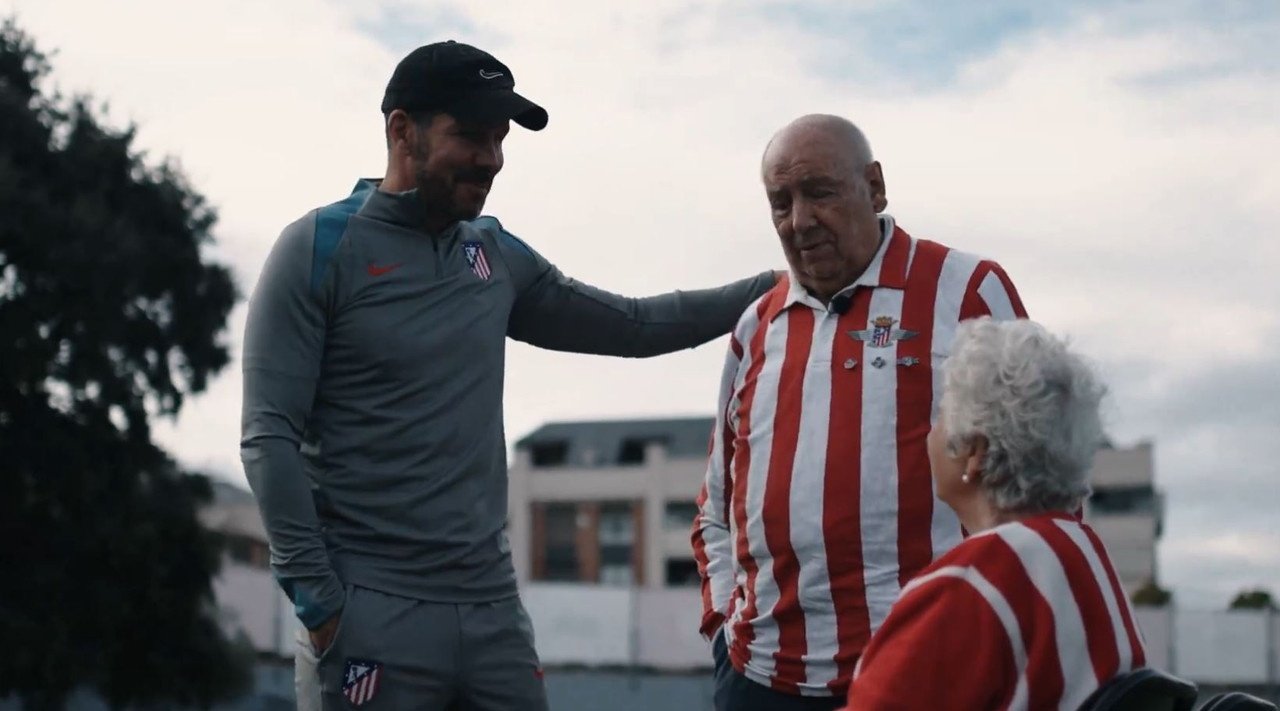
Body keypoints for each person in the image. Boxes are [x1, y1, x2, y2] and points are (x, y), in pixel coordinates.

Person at [240, 40, 779, 711]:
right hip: (370, 607)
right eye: (470, 135)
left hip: (491, 608)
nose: (491, 158)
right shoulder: (318, 248)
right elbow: (268, 436)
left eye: (499, 139)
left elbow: (634, 324)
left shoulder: (493, 254)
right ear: (401, 130)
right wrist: (320, 601)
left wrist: (773, 288)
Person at [691, 114, 1028, 710]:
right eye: (780, 202)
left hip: (930, 678)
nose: (799, 221)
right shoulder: (755, 327)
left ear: (874, 187)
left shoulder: (968, 290)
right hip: (761, 682)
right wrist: (724, 626)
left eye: (819, 192)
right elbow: (717, 506)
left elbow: (1043, 485)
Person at [841, 317, 1148, 709]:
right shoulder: (1081, 551)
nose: (929, 433)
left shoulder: (970, 584)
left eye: (941, 415)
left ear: (975, 452)